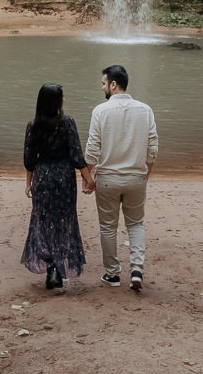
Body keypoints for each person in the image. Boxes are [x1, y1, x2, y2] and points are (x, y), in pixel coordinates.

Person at [84, 65, 158, 291]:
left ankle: (113, 274)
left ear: (113, 84)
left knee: (108, 227)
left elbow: (92, 149)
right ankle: (137, 270)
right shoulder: (145, 110)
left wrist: (88, 178)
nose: (103, 87)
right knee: (136, 224)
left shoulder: (100, 111)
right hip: (136, 177)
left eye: (104, 83)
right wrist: (146, 174)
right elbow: (153, 146)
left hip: (108, 178)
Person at [22, 83, 95, 289]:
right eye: (62, 97)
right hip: (64, 177)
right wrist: (88, 178)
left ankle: (51, 266)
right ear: (56, 101)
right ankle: (58, 267)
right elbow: (76, 156)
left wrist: (28, 184)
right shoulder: (67, 123)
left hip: (43, 177)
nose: (64, 100)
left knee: (43, 220)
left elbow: (29, 159)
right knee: (65, 220)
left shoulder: (33, 125)